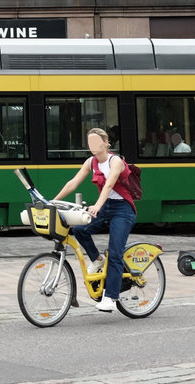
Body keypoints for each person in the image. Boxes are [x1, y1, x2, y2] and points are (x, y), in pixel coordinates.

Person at [52, 127, 137, 313]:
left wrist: (97, 206)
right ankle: (97, 259)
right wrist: (53, 201)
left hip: (123, 209)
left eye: (96, 142)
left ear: (106, 143)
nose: (92, 146)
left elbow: (108, 185)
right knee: (80, 230)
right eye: (90, 142)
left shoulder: (115, 162)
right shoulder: (91, 162)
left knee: (115, 253)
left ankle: (110, 298)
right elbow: (73, 183)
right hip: (105, 207)